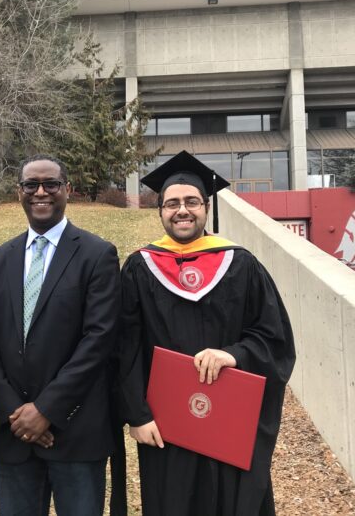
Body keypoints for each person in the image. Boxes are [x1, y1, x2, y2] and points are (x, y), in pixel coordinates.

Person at [117, 150, 296, 516]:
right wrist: (137, 414)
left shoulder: (240, 264)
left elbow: (275, 337)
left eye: (191, 201)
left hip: (230, 420)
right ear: (161, 212)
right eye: (172, 204)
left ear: (206, 206)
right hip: (167, 426)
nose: (182, 210)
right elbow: (124, 348)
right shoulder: (140, 268)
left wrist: (234, 354)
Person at [0, 154, 121, 516]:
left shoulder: (97, 254)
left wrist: (46, 410)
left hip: (76, 432)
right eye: (31, 185)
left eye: (51, 184)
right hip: (14, 436)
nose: (40, 192)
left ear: (67, 190)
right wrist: (17, 412)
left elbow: (99, 339)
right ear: (19, 193)